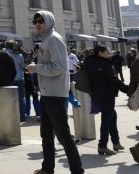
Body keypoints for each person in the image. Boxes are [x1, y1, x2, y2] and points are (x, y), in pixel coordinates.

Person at [27, 11, 83, 174]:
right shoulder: (46, 40)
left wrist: (36, 68)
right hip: (47, 94)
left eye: (41, 21)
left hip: (55, 95)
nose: (37, 24)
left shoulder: (54, 39)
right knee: (46, 134)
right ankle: (48, 168)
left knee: (63, 136)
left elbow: (60, 67)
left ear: (49, 21)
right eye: (35, 21)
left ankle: (77, 170)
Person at [84, 45, 128, 155]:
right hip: (106, 94)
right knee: (107, 120)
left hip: (98, 94)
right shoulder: (103, 64)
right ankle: (102, 145)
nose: (109, 54)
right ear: (100, 53)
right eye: (107, 52)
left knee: (112, 117)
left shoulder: (91, 62)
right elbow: (113, 80)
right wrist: (127, 89)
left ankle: (116, 142)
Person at [6, 40, 28, 122]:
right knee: (21, 99)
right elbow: (23, 66)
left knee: (11, 99)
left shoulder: (6, 54)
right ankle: (22, 116)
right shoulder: (20, 55)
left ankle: (12, 116)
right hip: (20, 79)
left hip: (10, 79)